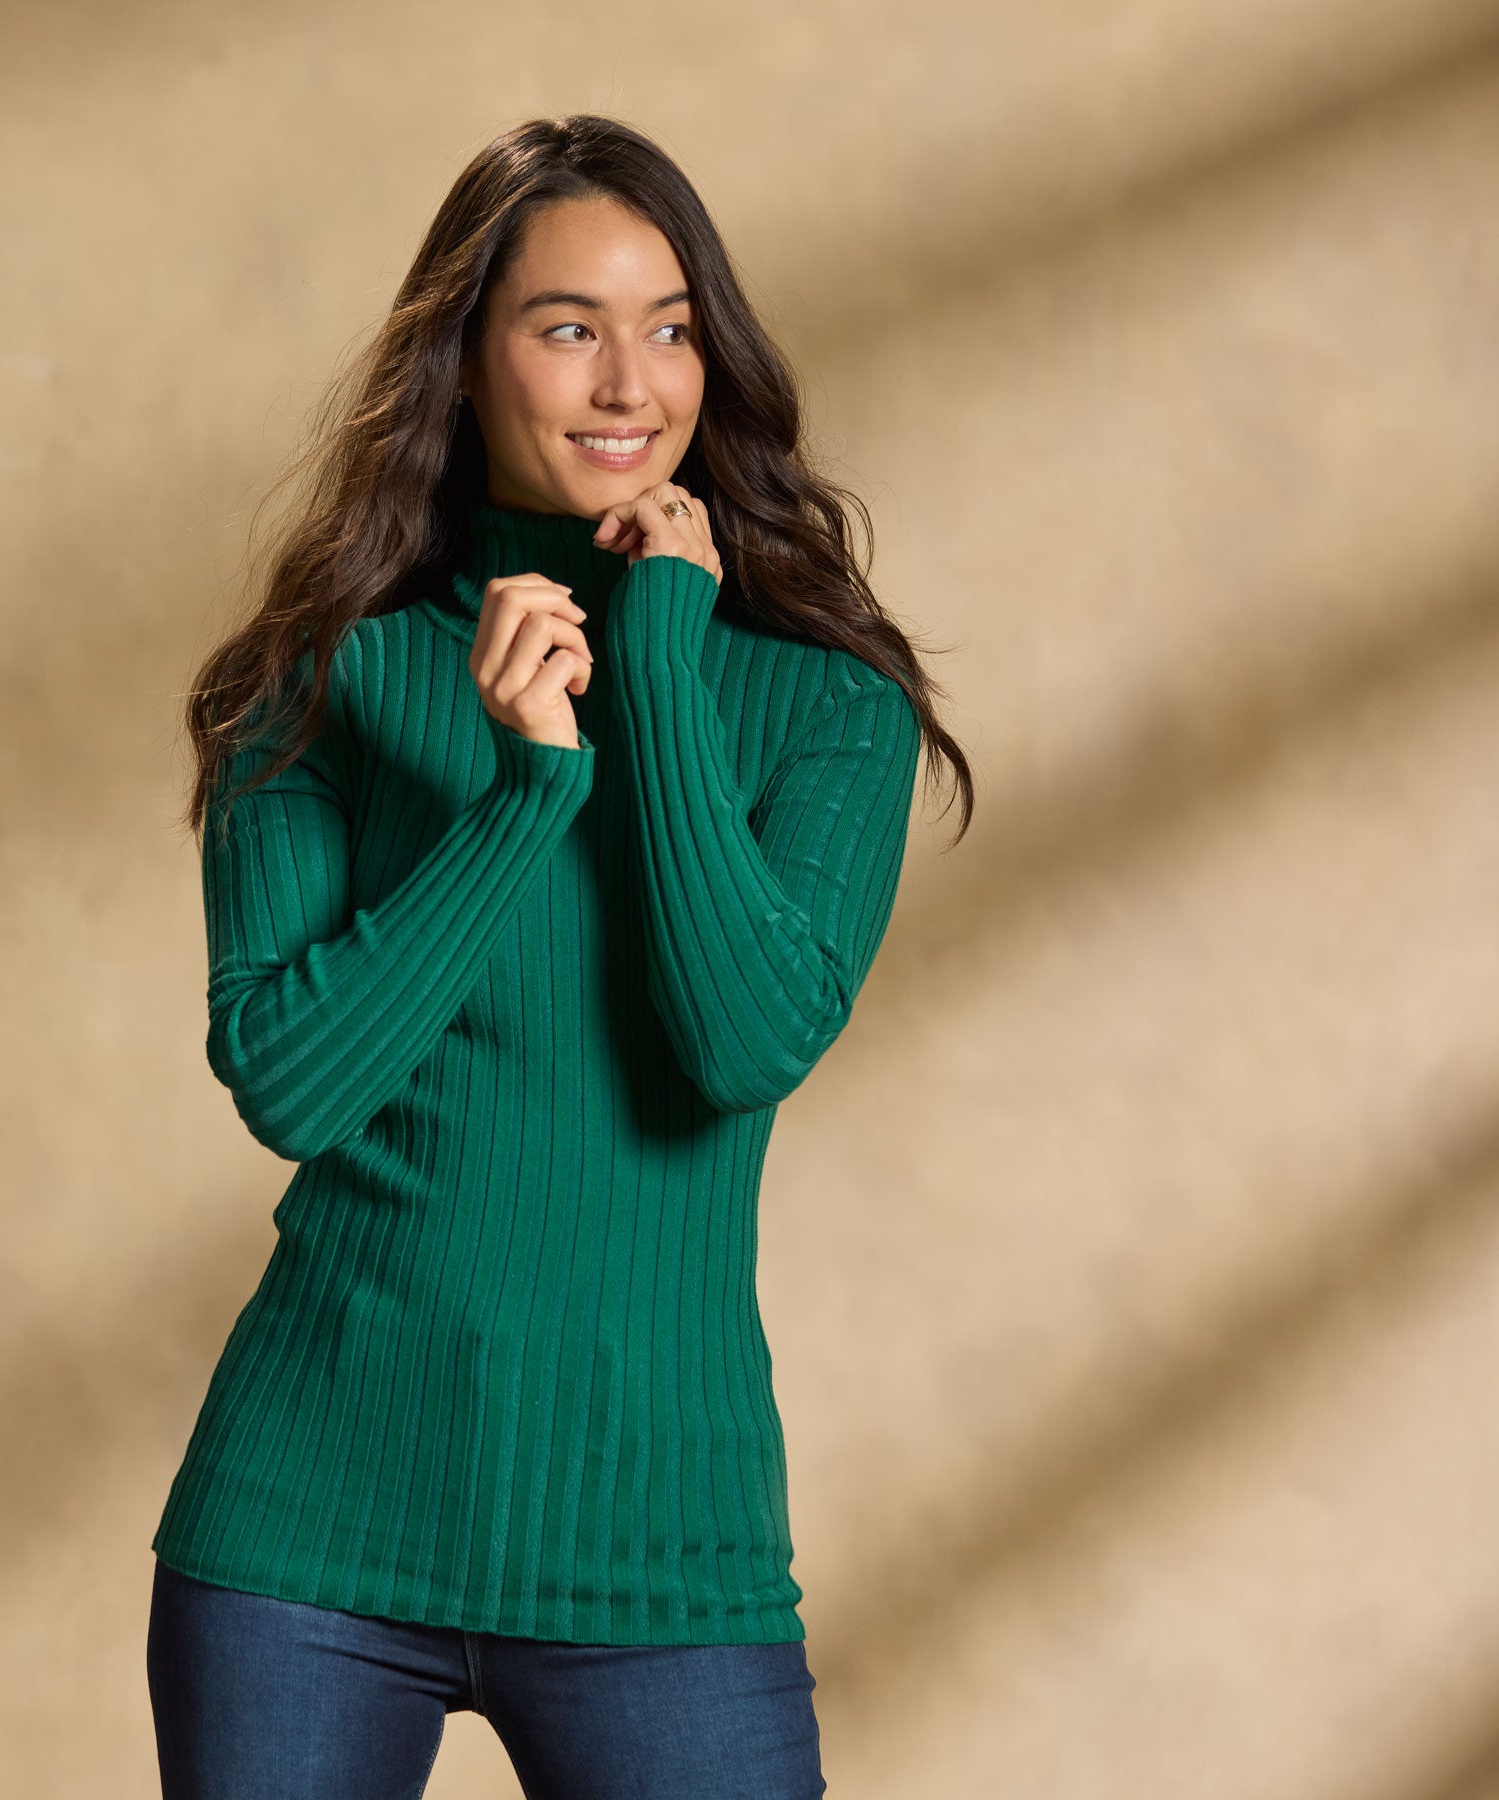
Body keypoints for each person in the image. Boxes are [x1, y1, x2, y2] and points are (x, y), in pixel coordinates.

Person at [145, 113, 975, 1800]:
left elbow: (744, 1040)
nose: (628, 382)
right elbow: (290, 1082)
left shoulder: (827, 704)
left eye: (669, 327)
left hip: (658, 1550)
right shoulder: (318, 682)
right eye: (567, 327)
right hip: (305, 1535)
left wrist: (657, 665)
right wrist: (521, 797)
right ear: (464, 363)